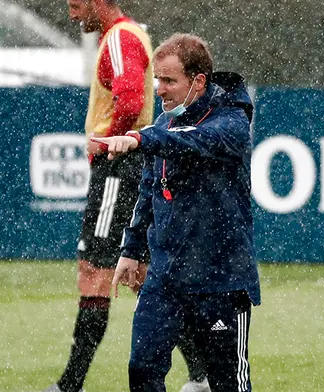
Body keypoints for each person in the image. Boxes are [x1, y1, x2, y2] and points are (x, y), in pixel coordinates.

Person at [44, 0, 207, 392]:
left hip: (120, 168)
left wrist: (109, 142)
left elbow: (131, 97)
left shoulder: (119, 37)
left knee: (96, 270)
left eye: (77, 6)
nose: (73, 15)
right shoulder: (128, 36)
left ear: (98, 0)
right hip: (131, 164)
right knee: (139, 272)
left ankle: (69, 385)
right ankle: (204, 373)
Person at [96, 33, 261, 392]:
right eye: (157, 79)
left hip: (221, 279)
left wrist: (141, 138)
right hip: (166, 277)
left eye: (169, 80)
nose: (159, 88)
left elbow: (195, 140)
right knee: (142, 370)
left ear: (198, 82)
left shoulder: (232, 121)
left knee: (228, 383)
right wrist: (131, 250)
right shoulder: (166, 123)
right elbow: (149, 191)